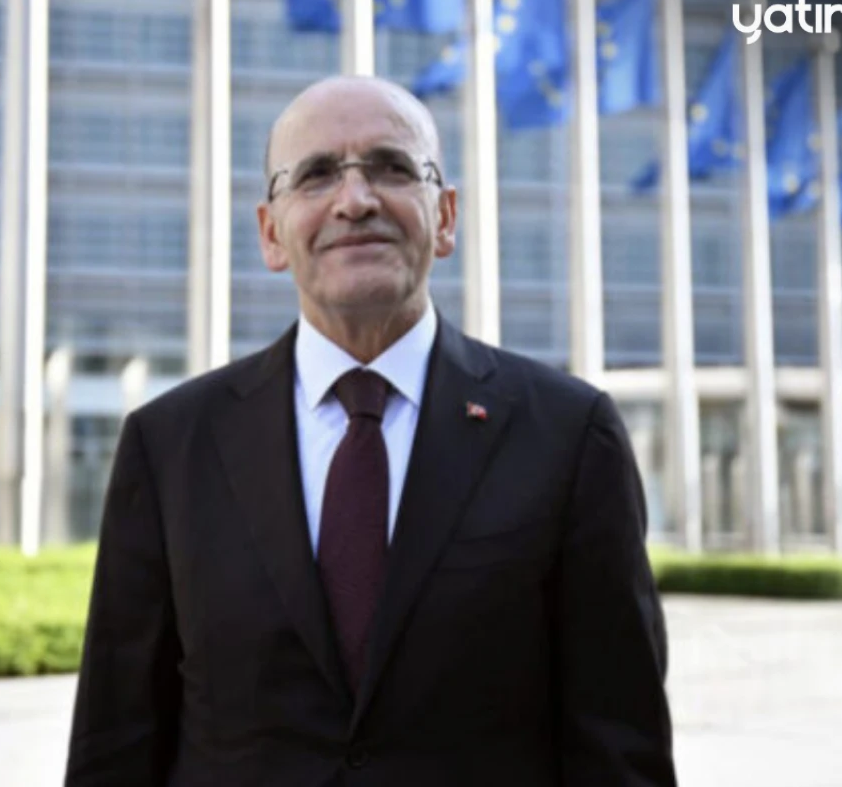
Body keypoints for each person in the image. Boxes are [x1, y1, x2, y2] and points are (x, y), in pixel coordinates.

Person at [64, 75, 675, 786]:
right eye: (316, 174)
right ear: (271, 233)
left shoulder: (569, 435)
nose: (355, 200)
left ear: (445, 217)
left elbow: (619, 746)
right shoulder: (169, 446)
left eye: (391, 167)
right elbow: (116, 742)